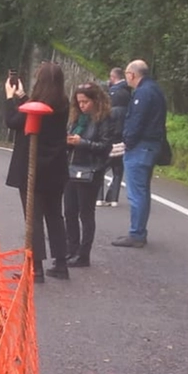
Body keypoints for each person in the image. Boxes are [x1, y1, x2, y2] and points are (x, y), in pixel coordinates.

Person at [5, 62, 71, 281]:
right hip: (55, 166)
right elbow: (33, 113)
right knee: (55, 215)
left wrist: (9, 98)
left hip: (33, 167)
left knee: (33, 217)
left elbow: (13, 121)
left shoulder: (38, 103)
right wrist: (23, 97)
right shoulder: (62, 104)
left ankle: (36, 268)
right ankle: (61, 263)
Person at [110, 60, 168, 248]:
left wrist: (127, 141)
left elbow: (136, 121)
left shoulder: (142, 93)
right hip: (151, 145)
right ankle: (139, 231)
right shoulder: (155, 90)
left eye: (127, 73)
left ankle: (136, 233)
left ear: (132, 75)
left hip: (141, 146)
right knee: (142, 190)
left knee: (137, 192)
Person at [64, 83, 119, 266]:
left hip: (91, 169)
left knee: (86, 214)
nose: (82, 105)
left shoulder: (105, 119)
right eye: (79, 102)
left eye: (85, 102)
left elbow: (105, 147)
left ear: (96, 101)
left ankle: (83, 254)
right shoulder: (77, 119)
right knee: (69, 211)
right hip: (72, 167)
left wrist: (83, 143)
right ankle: (71, 249)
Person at [102, 66, 130, 207]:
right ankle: (113, 198)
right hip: (123, 139)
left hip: (111, 139)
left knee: (101, 167)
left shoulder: (111, 109)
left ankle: (99, 197)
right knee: (118, 170)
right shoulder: (129, 93)